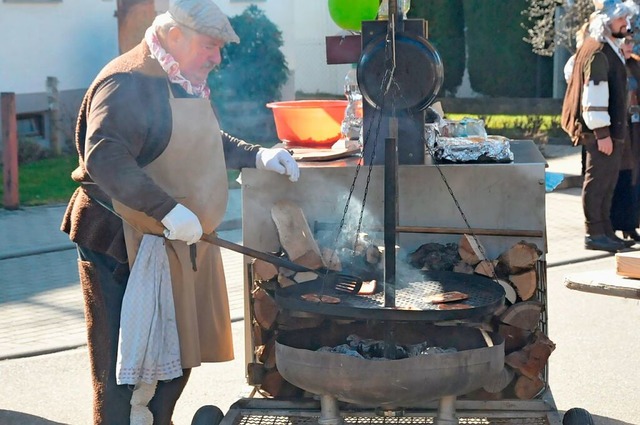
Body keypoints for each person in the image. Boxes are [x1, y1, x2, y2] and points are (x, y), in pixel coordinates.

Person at [60, 0, 300, 423]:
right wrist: (168, 210)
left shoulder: (178, 76)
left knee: (176, 360)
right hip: (119, 245)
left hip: (175, 243)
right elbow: (105, 156)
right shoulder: (127, 82)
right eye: (210, 46)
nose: (217, 57)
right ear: (174, 36)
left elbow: (201, 137)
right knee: (122, 370)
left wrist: (257, 156)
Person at [562, 0, 639, 253]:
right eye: (621, 20)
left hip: (609, 130)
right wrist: (602, 133)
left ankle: (605, 230)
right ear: (606, 21)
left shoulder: (605, 48)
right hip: (601, 132)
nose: (626, 25)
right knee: (598, 181)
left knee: (607, 181)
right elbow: (593, 95)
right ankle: (595, 232)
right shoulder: (597, 51)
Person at [611, 35, 640, 242]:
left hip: (635, 127)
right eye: (626, 42)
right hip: (617, 127)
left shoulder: (635, 64)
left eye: (631, 42)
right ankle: (612, 225)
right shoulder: (611, 62)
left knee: (634, 176)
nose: (629, 46)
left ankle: (631, 225)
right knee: (618, 176)